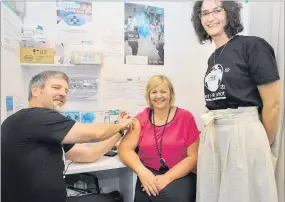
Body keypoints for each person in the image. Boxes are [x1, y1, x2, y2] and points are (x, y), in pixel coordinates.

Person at [191, 1, 281, 202]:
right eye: (204, 13)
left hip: (244, 132)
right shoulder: (213, 58)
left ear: (229, 13)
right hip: (215, 133)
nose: (210, 17)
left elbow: (273, 104)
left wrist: (261, 143)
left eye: (216, 11)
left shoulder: (253, 46)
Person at [1, 70, 133, 202]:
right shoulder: (36, 117)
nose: (63, 94)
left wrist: (119, 132)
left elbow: (88, 154)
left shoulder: (44, 126)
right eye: (56, 87)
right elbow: (96, 134)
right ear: (35, 90)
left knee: (107, 199)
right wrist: (120, 125)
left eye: (66, 90)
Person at [118, 75, 200, 202]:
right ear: (148, 96)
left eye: (163, 91)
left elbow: (193, 157)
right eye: (154, 92)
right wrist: (142, 172)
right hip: (149, 173)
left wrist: (166, 178)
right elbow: (124, 148)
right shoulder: (141, 118)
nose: (158, 96)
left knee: (169, 196)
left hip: (180, 174)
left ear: (171, 94)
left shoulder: (186, 118)